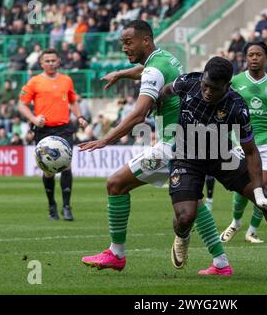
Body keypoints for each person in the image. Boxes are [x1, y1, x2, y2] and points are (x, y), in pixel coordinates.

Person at [159, 56, 267, 274]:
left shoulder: (236, 106)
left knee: (266, 201)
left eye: (214, 88)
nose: (207, 92)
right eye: (205, 85)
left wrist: (259, 192)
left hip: (222, 156)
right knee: (185, 217)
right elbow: (165, 91)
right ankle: (182, 235)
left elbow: (250, 151)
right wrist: (156, 104)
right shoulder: (188, 82)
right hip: (187, 157)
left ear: (227, 86)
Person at [79, 20, 226, 274]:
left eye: (128, 42)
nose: (124, 48)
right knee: (194, 202)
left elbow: (138, 115)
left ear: (145, 40)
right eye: (122, 43)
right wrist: (121, 73)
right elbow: (146, 71)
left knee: (115, 184)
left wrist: (106, 139)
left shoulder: (153, 71)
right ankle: (221, 263)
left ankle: (116, 253)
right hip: (190, 141)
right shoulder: (165, 59)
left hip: (173, 146)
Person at [220, 42, 267, 244]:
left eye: (258, 54)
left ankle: (252, 231)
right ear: (246, 58)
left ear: (266, 58)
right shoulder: (235, 81)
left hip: (265, 141)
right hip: (241, 141)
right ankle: (235, 223)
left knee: (264, 188)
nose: (254, 58)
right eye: (250, 54)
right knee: (244, 188)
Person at [18, 48, 88, 221]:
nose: (50, 63)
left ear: (58, 62)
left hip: (64, 129)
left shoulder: (66, 80)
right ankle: (52, 205)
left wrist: (79, 116)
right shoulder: (34, 82)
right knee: (48, 171)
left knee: (66, 166)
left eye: (53, 60)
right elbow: (22, 105)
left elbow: (72, 100)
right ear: (41, 63)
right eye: (47, 61)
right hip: (44, 131)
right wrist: (34, 119)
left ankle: (66, 206)